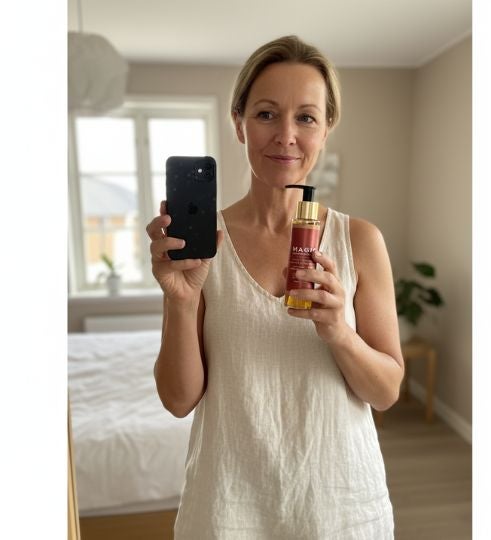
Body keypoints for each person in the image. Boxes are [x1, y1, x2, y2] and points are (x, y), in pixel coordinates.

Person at [146, 35, 404, 540]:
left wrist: (340, 332)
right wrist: (181, 301)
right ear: (238, 123)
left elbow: (386, 392)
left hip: (341, 510)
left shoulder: (360, 241)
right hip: (227, 511)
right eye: (266, 114)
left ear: (326, 128)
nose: (286, 135)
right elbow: (178, 400)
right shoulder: (204, 245)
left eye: (306, 117)